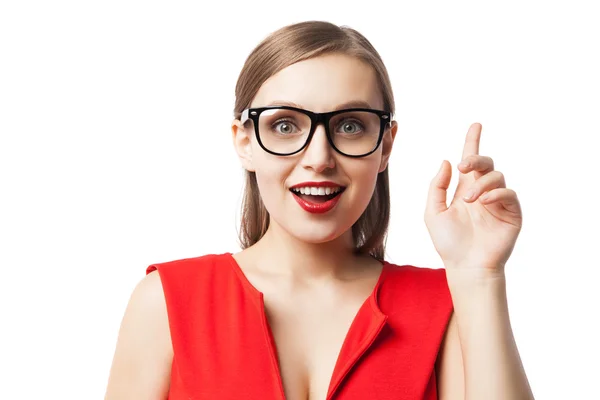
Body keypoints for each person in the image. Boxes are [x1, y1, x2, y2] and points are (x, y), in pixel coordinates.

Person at [105, 21, 534, 400]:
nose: (319, 157)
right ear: (244, 142)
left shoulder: (447, 305)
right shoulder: (165, 301)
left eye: (350, 126)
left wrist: (480, 276)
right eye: (286, 125)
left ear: (385, 146)